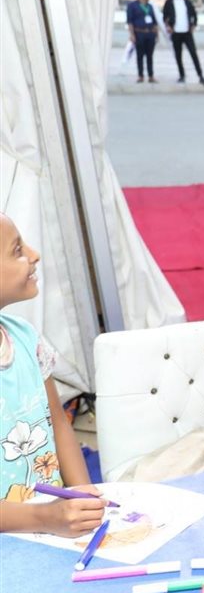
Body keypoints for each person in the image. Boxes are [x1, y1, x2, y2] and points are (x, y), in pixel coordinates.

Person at [0, 213, 104, 537]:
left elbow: (58, 422)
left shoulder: (26, 338)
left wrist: (83, 495)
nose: (35, 255)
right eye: (18, 250)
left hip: (53, 533)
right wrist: (46, 518)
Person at [162, 0, 204, 86]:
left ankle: (200, 76)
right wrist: (168, 26)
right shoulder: (169, 2)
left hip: (187, 33)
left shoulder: (187, 2)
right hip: (175, 33)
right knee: (178, 55)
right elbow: (164, 16)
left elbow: (194, 15)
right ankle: (182, 75)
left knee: (193, 53)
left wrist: (193, 25)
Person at [125, 0, 159, 83]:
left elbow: (154, 21)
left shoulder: (150, 6)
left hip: (150, 33)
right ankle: (140, 75)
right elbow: (130, 21)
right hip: (139, 33)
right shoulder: (132, 6)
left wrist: (156, 34)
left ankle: (151, 76)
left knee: (150, 55)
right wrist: (132, 35)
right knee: (140, 55)